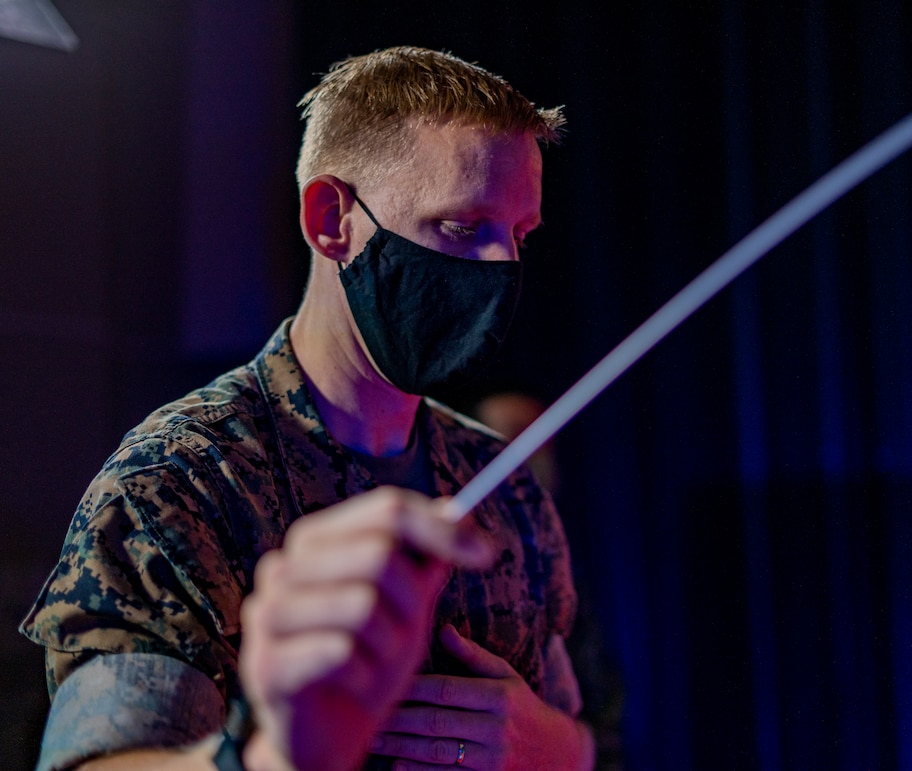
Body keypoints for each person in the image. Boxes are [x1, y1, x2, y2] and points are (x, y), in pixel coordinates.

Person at [21, 46, 595, 771]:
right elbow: (99, 759)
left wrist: (560, 750)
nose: (500, 269)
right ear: (332, 219)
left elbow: (574, 721)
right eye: (458, 227)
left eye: (518, 235)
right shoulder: (181, 482)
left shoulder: (505, 485)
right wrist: (273, 755)